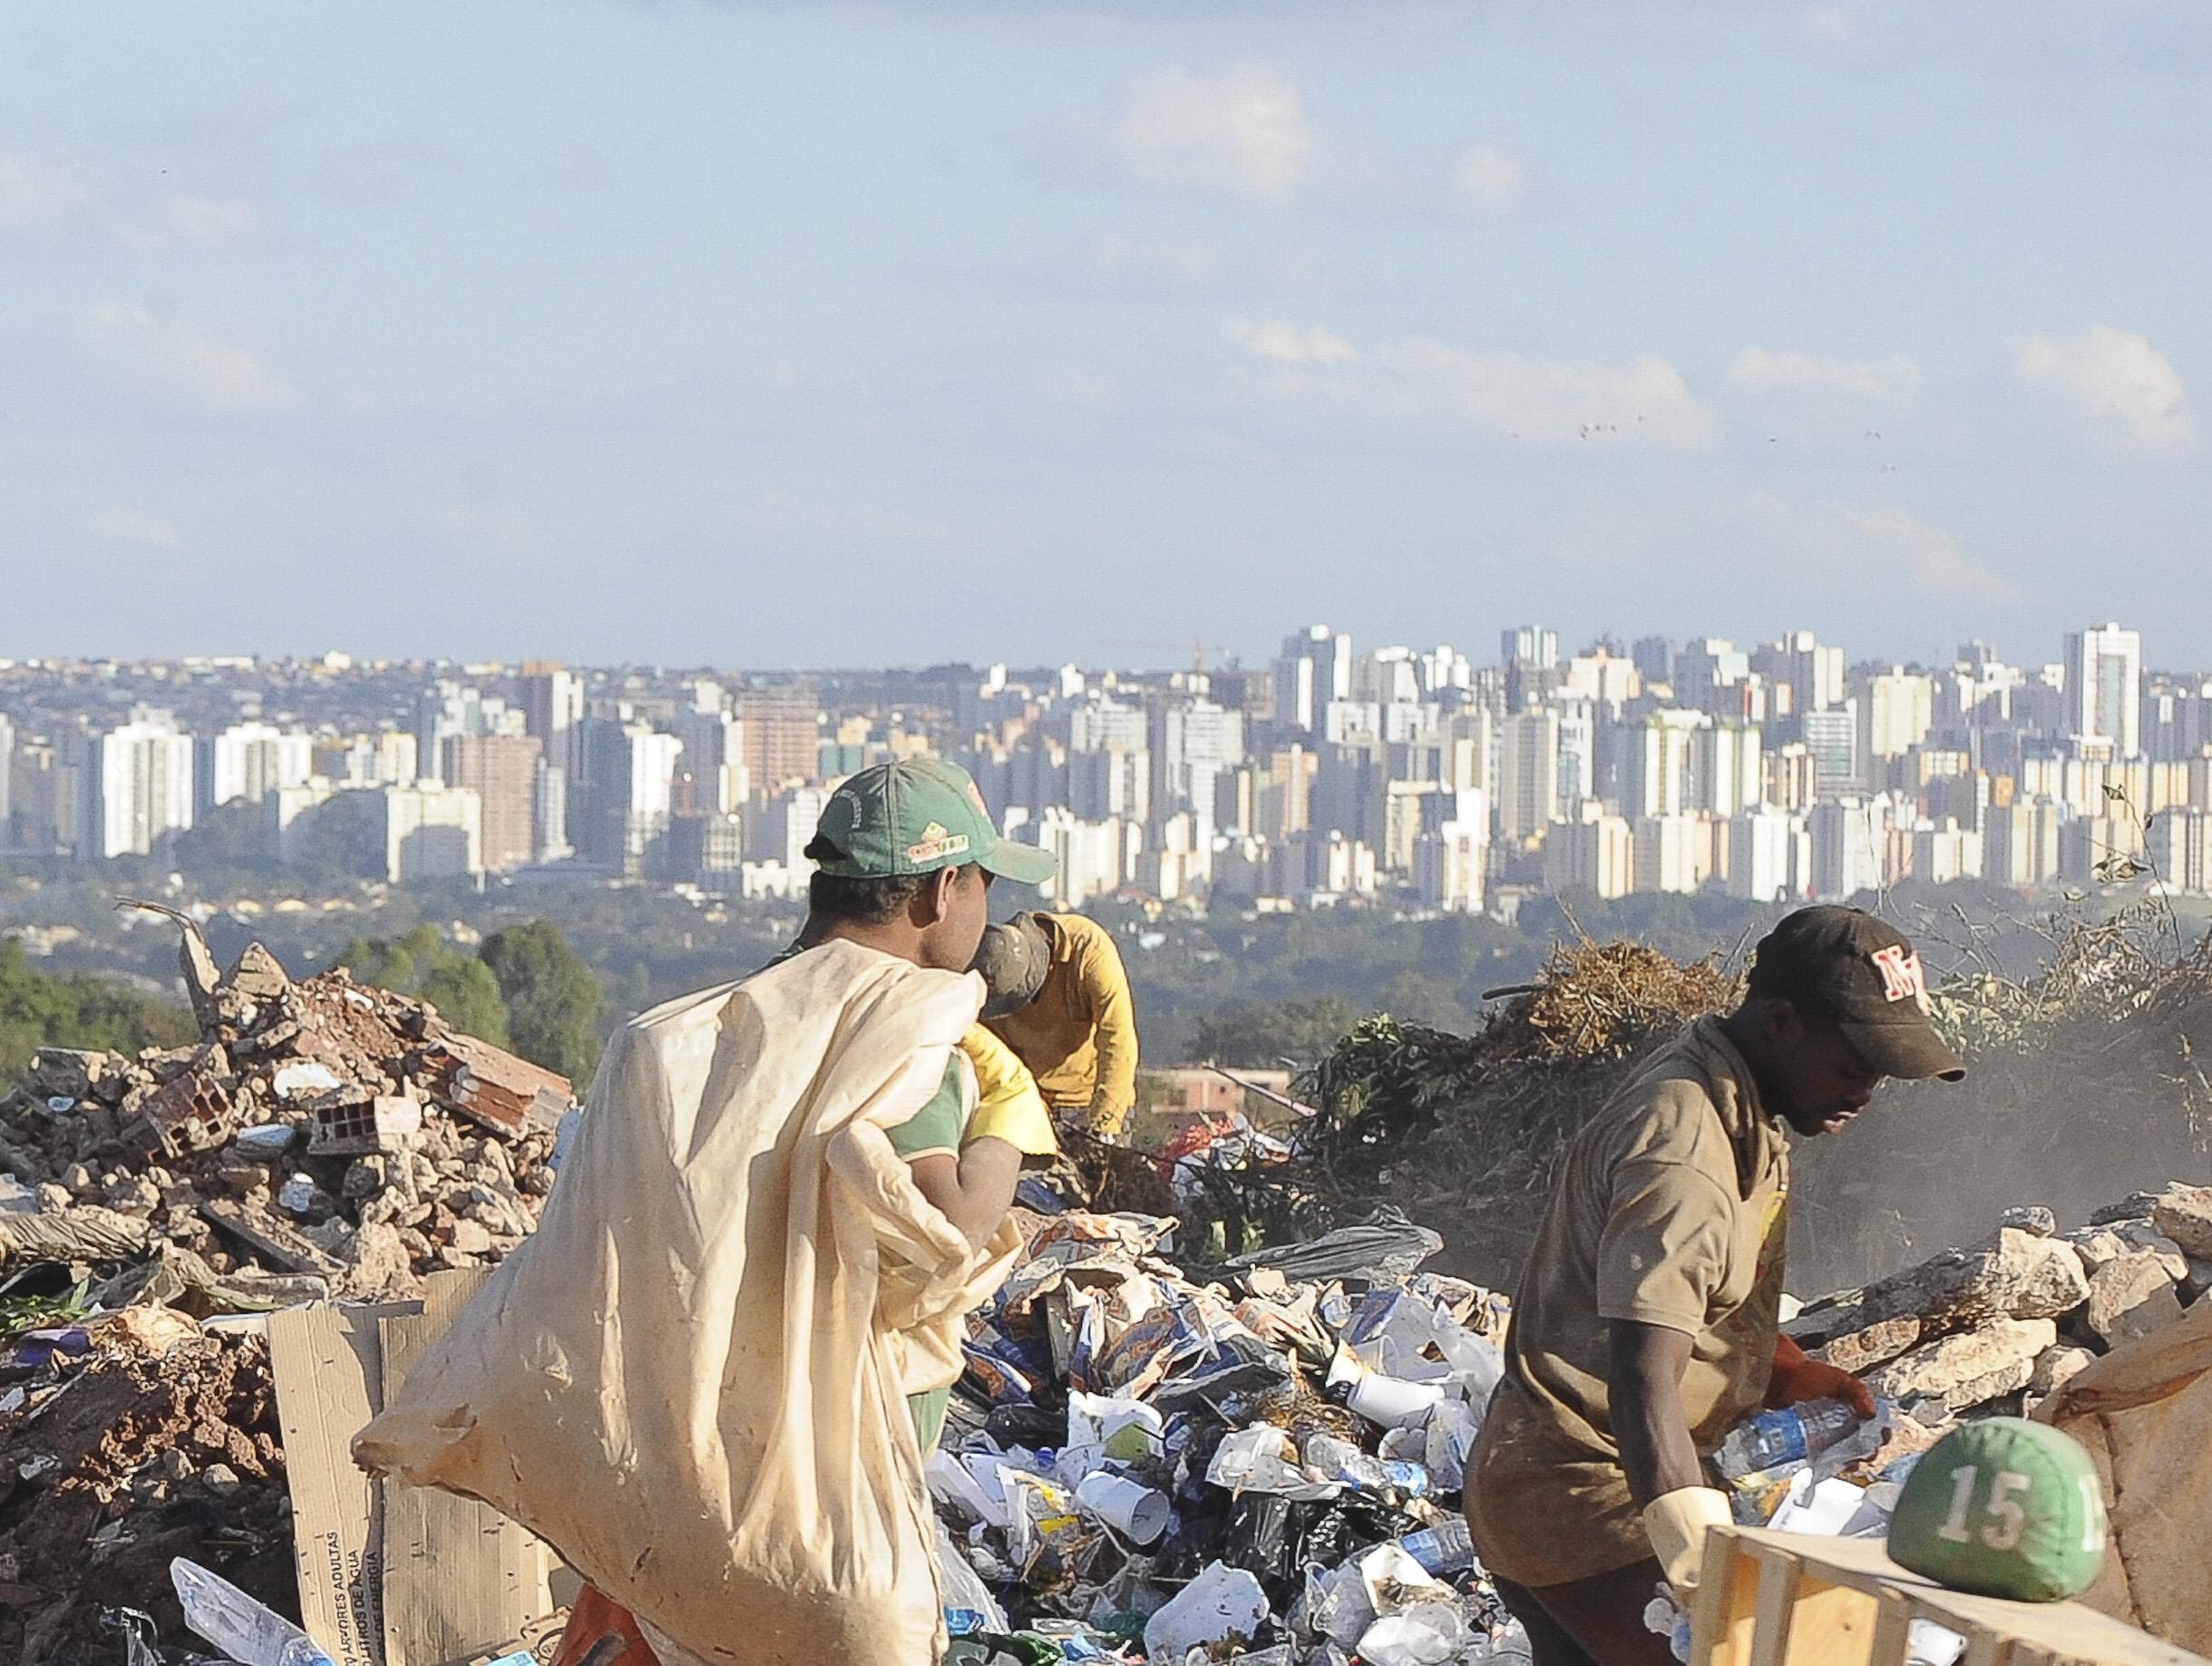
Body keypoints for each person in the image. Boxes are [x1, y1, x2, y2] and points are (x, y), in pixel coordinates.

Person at [358, 756, 1061, 1666]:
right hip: (818, 1503)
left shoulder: (694, 1037)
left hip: (671, 1482)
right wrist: (1006, 1114)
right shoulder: (903, 1039)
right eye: (985, 884)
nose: (988, 911)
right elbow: (951, 1236)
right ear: (940, 890)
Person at [1465, 906, 1966, 1665]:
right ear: (1780, 1020)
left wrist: (1780, 1368)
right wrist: (1701, 1575)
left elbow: (1680, 1297)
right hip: (1590, 1504)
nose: (1864, 1091)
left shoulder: (1734, 1096)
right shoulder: (1686, 1149)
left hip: (1537, 1489)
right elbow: (1641, 1381)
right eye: (1852, 1062)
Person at [972, 908, 1139, 1138]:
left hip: (1087, 1099)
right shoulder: (992, 962)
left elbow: (1117, 1039)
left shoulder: (1089, 950)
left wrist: (1106, 1123)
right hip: (1026, 1103)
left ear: (1048, 966)